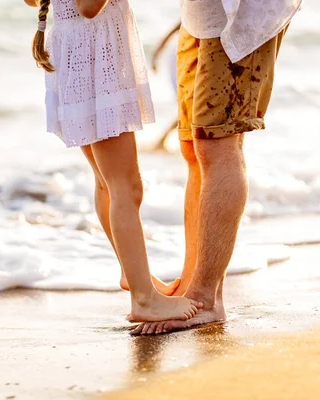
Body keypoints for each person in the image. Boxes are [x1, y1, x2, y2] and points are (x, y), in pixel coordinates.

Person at [23, 0, 202, 321]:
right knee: (126, 187)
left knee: (108, 182)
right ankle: (144, 300)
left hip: (78, 55)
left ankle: (134, 276)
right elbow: (90, 7)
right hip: (95, 63)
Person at [132, 0, 302, 335]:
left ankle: (206, 298)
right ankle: (190, 289)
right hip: (201, 13)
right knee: (193, 146)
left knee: (217, 143)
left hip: (241, 16)